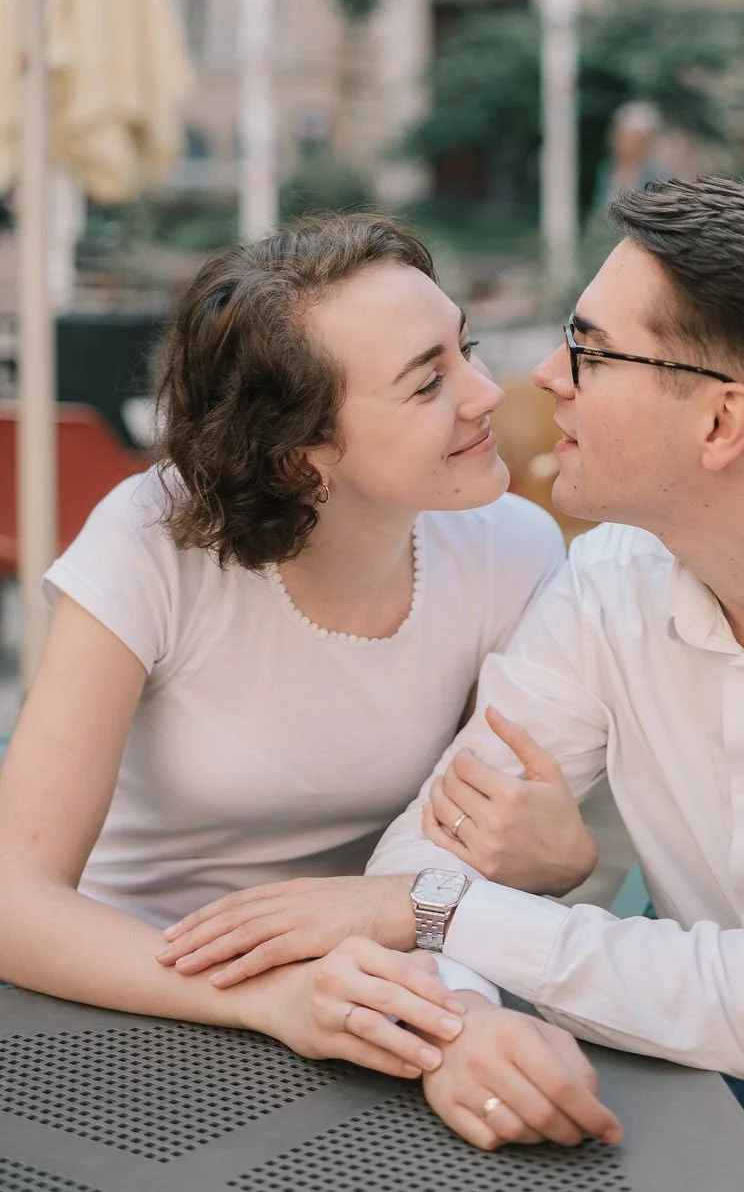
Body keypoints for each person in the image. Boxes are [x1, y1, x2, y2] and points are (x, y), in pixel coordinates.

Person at [164, 179, 744, 1187]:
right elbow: (429, 850)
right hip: (709, 1086)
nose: (543, 377)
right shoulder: (611, 580)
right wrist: (463, 1018)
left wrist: (441, 916)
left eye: (592, 350)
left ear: (722, 423)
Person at [0, 211, 617, 1136]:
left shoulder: (511, 549)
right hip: (126, 991)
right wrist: (270, 997)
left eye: (467, 349)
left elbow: (468, 864)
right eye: (426, 384)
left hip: (374, 994)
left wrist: (485, 979)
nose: (487, 393)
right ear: (301, 454)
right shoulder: (150, 542)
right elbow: (15, 899)